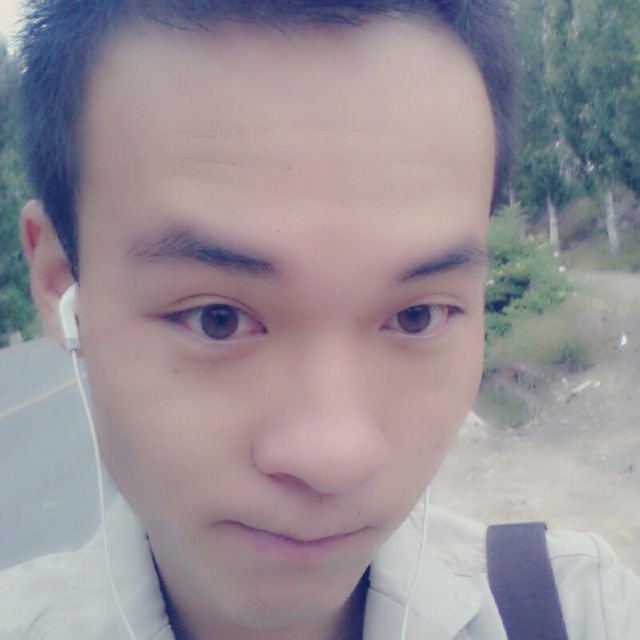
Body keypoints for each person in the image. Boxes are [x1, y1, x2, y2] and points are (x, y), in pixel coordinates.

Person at [1, 0, 639, 638]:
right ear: (61, 281)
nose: (335, 458)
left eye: (417, 316)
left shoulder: (575, 611)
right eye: (217, 319)